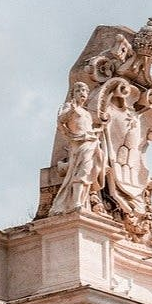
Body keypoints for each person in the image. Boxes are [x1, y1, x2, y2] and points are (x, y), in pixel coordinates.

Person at [50, 82, 103, 214]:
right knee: (81, 171)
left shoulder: (87, 113)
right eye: (79, 91)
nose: (82, 94)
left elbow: (87, 127)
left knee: (88, 171)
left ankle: (82, 201)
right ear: (73, 94)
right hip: (79, 144)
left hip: (90, 142)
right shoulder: (69, 107)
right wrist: (71, 113)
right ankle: (76, 203)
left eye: (85, 91)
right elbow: (60, 121)